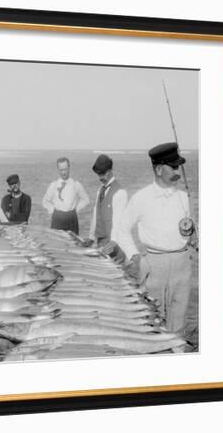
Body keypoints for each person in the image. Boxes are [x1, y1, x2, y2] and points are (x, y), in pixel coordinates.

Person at [117, 142, 193, 336]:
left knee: (178, 321)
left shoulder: (185, 198)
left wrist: (194, 236)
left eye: (178, 166)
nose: (178, 171)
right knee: (152, 319)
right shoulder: (141, 198)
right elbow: (122, 230)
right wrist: (136, 257)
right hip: (153, 264)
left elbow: (191, 232)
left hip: (182, 264)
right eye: (173, 167)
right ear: (159, 169)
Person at [84, 154, 128, 248]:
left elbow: (118, 223)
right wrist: (91, 237)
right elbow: (95, 215)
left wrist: (113, 243)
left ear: (110, 171)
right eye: (98, 174)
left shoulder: (120, 193)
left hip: (114, 244)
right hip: (101, 243)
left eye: (102, 174)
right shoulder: (100, 190)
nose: (100, 178)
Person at [42, 157, 89, 234]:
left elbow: (85, 199)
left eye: (65, 169)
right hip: (57, 218)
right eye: (61, 170)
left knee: (73, 243)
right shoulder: (53, 185)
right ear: (58, 170)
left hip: (72, 218)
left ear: (69, 168)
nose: (64, 172)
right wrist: (53, 211)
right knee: (57, 243)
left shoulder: (76, 184)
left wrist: (76, 210)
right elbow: (45, 201)